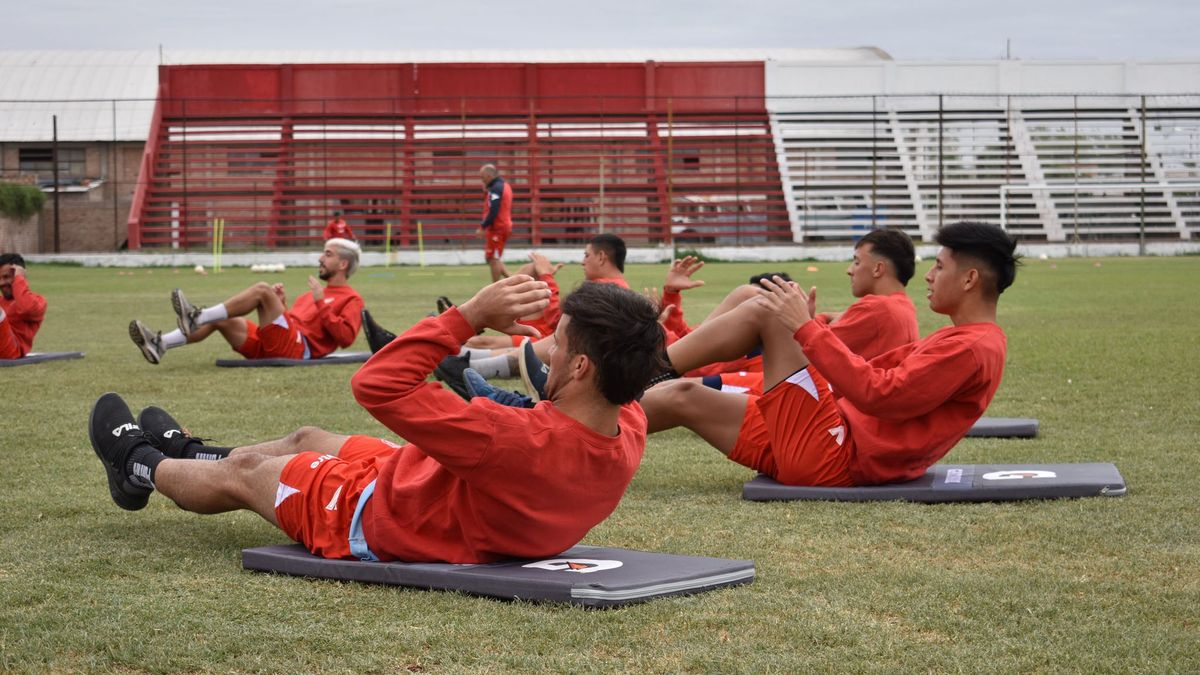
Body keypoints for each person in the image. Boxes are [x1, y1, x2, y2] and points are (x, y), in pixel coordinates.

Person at [87, 278, 667, 565]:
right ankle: (188, 450)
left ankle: (137, 464)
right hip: (437, 493)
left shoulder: (510, 438)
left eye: (557, 342)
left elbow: (376, 384)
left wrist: (466, 317)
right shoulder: (627, 422)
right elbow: (574, 400)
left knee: (247, 470)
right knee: (306, 438)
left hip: (380, 519)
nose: (545, 346)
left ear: (584, 366)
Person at [641, 221, 1018, 487]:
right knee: (680, 396)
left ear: (970, 280)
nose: (930, 276)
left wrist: (805, 327)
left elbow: (879, 393)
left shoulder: (972, 346)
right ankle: (585, 424)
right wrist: (809, 328)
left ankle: (645, 366)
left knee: (764, 308)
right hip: (825, 437)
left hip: (832, 449)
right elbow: (872, 372)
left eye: (939, 267)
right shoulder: (967, 338)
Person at [696, 228, 920, 396]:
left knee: (688, 389)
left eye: (856, 261)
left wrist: (805, 322)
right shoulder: (901, 307)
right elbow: (827, 337)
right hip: (814, 388)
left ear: (878, 269)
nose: (849, 270)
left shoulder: (878, 308)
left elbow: (813, 347)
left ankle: (668, 367)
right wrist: (813, 320)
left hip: (807, 394)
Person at [129, 239, 363, 365]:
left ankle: (196, 317)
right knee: (223, 319)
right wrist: (280, 305)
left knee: (262, 289)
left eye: (328, 254)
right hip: (280, 342)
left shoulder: (351, 298)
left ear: (343, 264)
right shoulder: (310, 294)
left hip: (299, 350)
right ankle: (161, 345)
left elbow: (345, 339)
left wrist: (321, 303)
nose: (321, 258)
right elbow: (294, 324)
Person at [0, 253, 47, 359]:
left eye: (6, 277)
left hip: (12, 350)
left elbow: (26, 309)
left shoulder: (38, 301)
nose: (2, 283)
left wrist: (20, 278)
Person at [479, 164, 514, 282]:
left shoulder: (496, 188)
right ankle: (513, 280)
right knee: (491, 258)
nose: (481, 180)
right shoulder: (504, 186)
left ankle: (496, 287)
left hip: (498, 227)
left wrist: (483, 225)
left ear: (489, 176)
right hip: (502, 226)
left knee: (494, 259)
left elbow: (494, 209)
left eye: (482, 177)